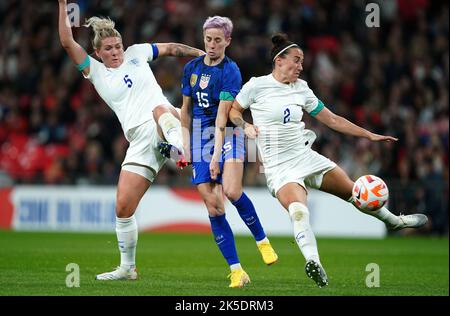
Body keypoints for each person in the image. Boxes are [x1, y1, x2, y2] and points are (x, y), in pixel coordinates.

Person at [229, 33, 428, 288]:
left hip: (306, 156)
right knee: (299, 211)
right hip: (280, 169)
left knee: (356, 193)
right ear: (279, 60)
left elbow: (332, 120)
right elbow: (234, 110)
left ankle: (395, 222)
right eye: (297, 60)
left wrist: (368, 134)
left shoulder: (301, 89)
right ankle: (313, 261)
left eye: (302, 62)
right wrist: (244, 125)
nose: (301, 66)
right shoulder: (256, 86)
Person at [57, 0, 204, 280]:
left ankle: (180, 149)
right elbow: (66, 41)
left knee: (161, 109)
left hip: (166, 121)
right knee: (123, 207)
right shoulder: (95, 72)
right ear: (97, 53)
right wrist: (64, 3)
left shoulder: (137, 53)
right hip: (139, 140)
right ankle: (127, 267)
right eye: (109, 49)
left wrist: (203, 56)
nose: (115, 52)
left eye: (118, 47)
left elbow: (172, 48)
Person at [179, 16, 278, 288]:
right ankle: (237, 270)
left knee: (232, 191)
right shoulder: (191, 68)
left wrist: (214, 157)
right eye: (208, 39)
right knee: (213, 205)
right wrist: (185, 145)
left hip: (227, 132)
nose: (212, 45)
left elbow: (223, 115)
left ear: (228, 42)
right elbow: (185, 110)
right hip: (199, 137)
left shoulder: (230, 71)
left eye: (218, 41)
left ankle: (262, 241)